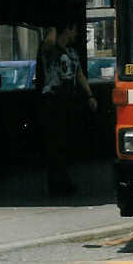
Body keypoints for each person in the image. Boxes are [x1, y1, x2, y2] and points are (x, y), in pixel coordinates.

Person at [38, 21, 98, 195]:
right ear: (67, 30)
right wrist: (54, 27)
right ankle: (56, 183)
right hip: (52, 99)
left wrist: (90, 95)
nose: (76, 35)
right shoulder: (50, 50)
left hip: (67, 99)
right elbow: (48, 42)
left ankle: (63, 180)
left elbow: (79, 75)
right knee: (54, 143)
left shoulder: (72, 53)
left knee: (64, 142)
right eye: (74, 30)